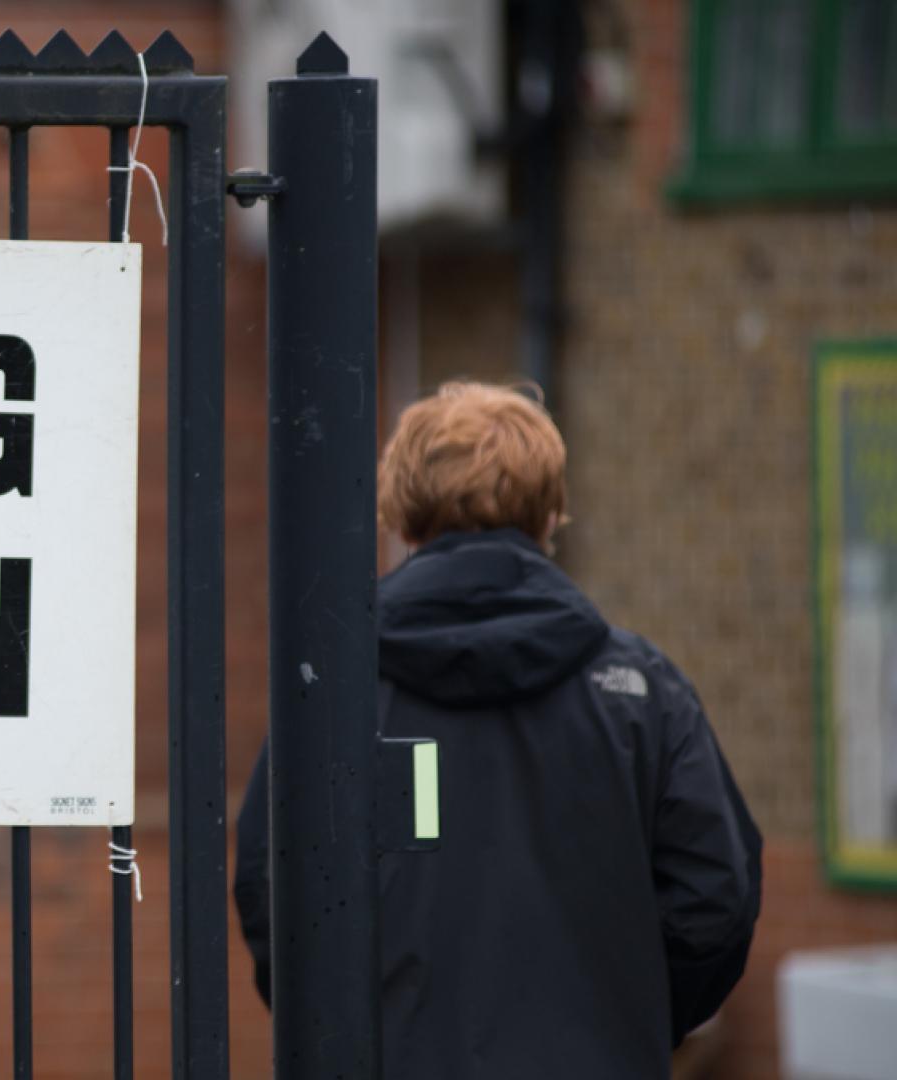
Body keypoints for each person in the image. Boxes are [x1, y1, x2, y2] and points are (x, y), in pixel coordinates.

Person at [234, 381, 763, 1079]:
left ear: (403, 513)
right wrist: (621, 1018)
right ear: (548, 512)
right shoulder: (641, 692)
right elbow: (714, 899)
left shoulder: (331, 697)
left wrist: (360, 1026)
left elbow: (276, 892)